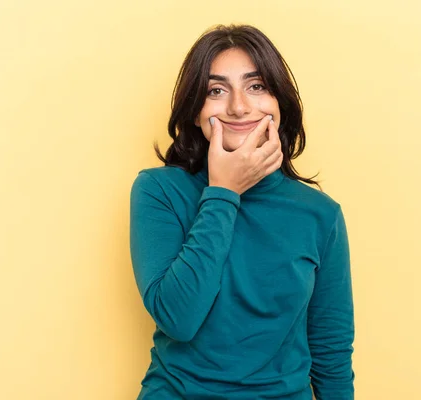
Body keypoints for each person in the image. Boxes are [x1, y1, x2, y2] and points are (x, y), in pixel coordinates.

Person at [129, 24, 355, 400]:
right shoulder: (159, 191)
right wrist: (223, 192)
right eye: (216, 91)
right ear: (195, 110)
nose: (238, 106)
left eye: (256, 86)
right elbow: (178, 320)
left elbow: (331, 349)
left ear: (279, 102)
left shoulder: (320, 215)